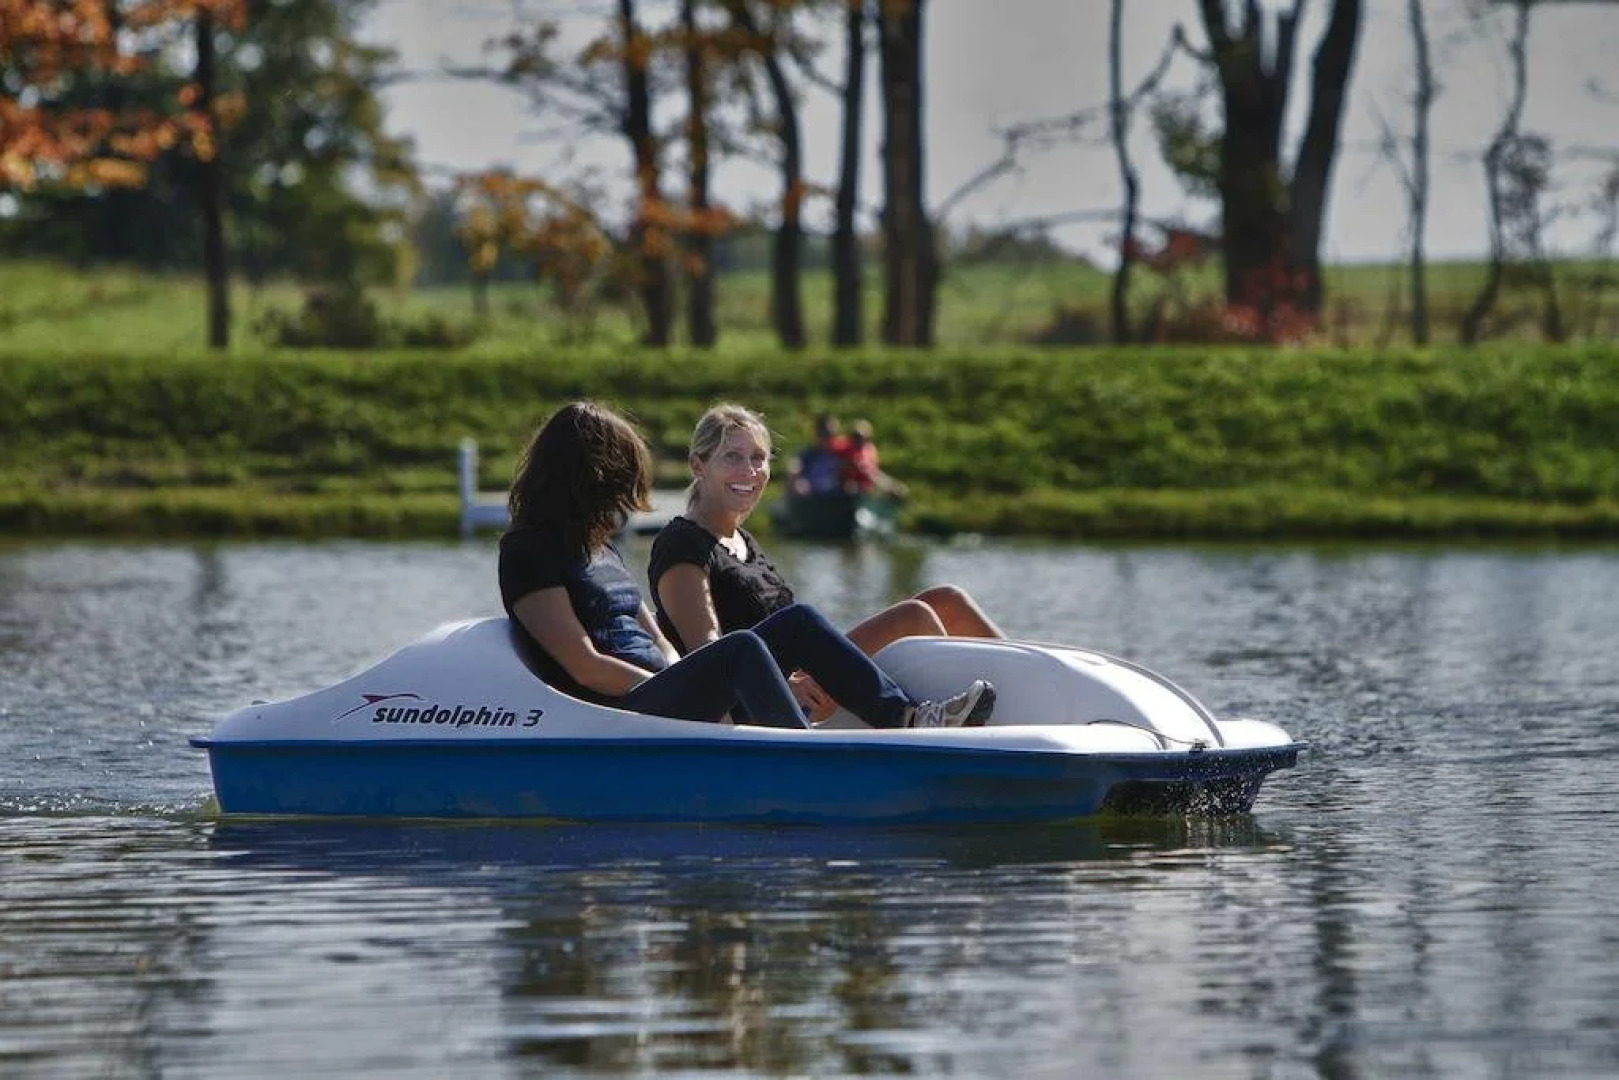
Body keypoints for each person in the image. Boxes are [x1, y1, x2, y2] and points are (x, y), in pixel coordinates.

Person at [500, 401, 994, 730]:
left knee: (797, 624)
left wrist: (686, 674)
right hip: (630, 708)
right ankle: (804, 758)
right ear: (581, 478)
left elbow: (661, 640)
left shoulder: (601, 547)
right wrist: (675, 681)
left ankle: (908, 718)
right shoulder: (528, 551)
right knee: (741, 649)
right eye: (615, 482)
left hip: (670, 688)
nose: (622, 499)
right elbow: (583, 665)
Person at [650, 402, 1005, 723]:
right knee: (915, 617)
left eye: (759, 457)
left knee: (947, 599)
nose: (750, 470)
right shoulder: (683, 543)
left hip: (804, 674)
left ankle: (1023, 688)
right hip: (764, 694)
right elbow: (709, 653)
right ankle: (932, 718)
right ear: (698, 465)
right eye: (732, 457)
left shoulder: (743, 542)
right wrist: (781, 683)